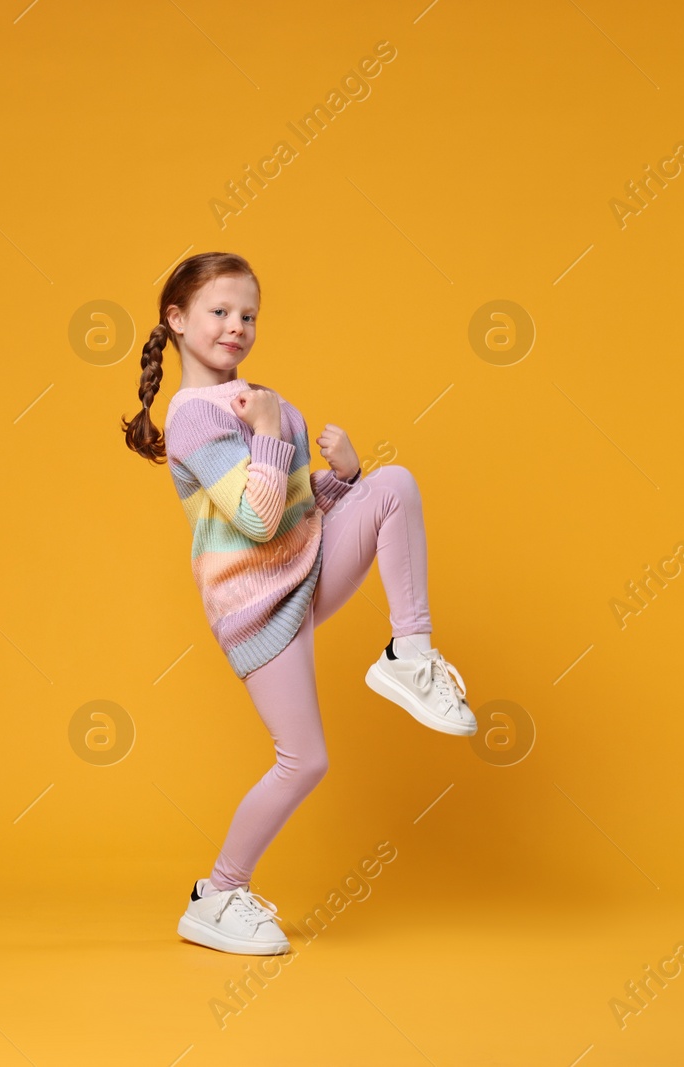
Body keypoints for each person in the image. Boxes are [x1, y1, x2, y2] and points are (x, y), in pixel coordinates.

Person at [120, 251, 476, 956]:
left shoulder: (260, 399)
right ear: (177, 321)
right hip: (257, 605)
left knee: (394, 484)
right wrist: (266, 428)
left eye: (248, 314)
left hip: (302, 562)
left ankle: (410, 651)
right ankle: (217, 894)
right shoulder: (193, 416)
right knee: (304, 760)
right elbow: (252, 520)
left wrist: (343, 479)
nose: (237, 326)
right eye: (220, 311)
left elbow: (291, 509)